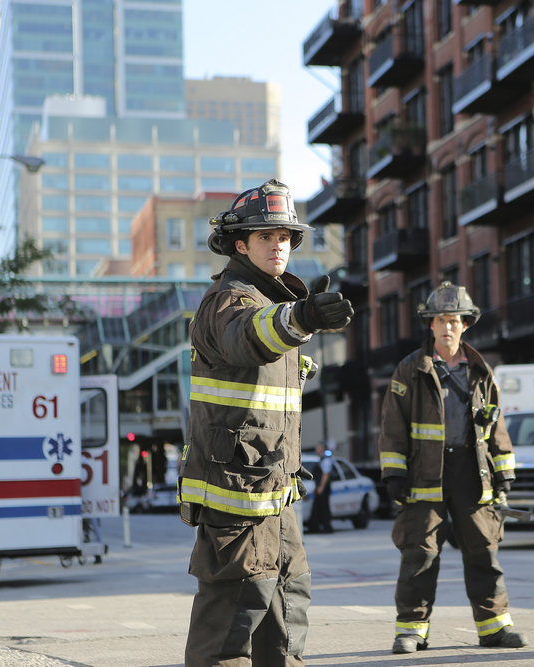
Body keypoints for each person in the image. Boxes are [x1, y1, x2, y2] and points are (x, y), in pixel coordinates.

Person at [177, 178, 354, 666]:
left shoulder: (271, 304)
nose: (279, 245)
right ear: (240, 244)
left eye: (285, 238)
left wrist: (295, 317)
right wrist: (301, 319)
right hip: (236, 502)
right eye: (265, 237)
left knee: (286, 614)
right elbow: (245, 338)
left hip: (276, 497)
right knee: (230, 627)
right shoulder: (231, 299)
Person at [378, 281, 527, 654]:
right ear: (430, 324)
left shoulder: (480, 371)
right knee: (420, 555)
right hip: (424, 475)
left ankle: (495, 628)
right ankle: (411, 631)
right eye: (441, 320)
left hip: (472, 474)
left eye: (454, 320)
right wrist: (394, 472)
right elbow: (392, 426)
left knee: (483, 551)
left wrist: (505, 471)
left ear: (465, 325)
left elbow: (496, 425)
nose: (447, 327)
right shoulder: (410, 370)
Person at [307, 441, 334, 534]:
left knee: (323, 507)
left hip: (323, 489)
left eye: (318, 448)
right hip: (319, 487)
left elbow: (325, 475)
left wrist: (321, 487)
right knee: (318, 507)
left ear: (322, 448)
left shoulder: (326, 460)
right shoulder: (321, 459)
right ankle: (316, 526)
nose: (316, 450)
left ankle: (327, 526)